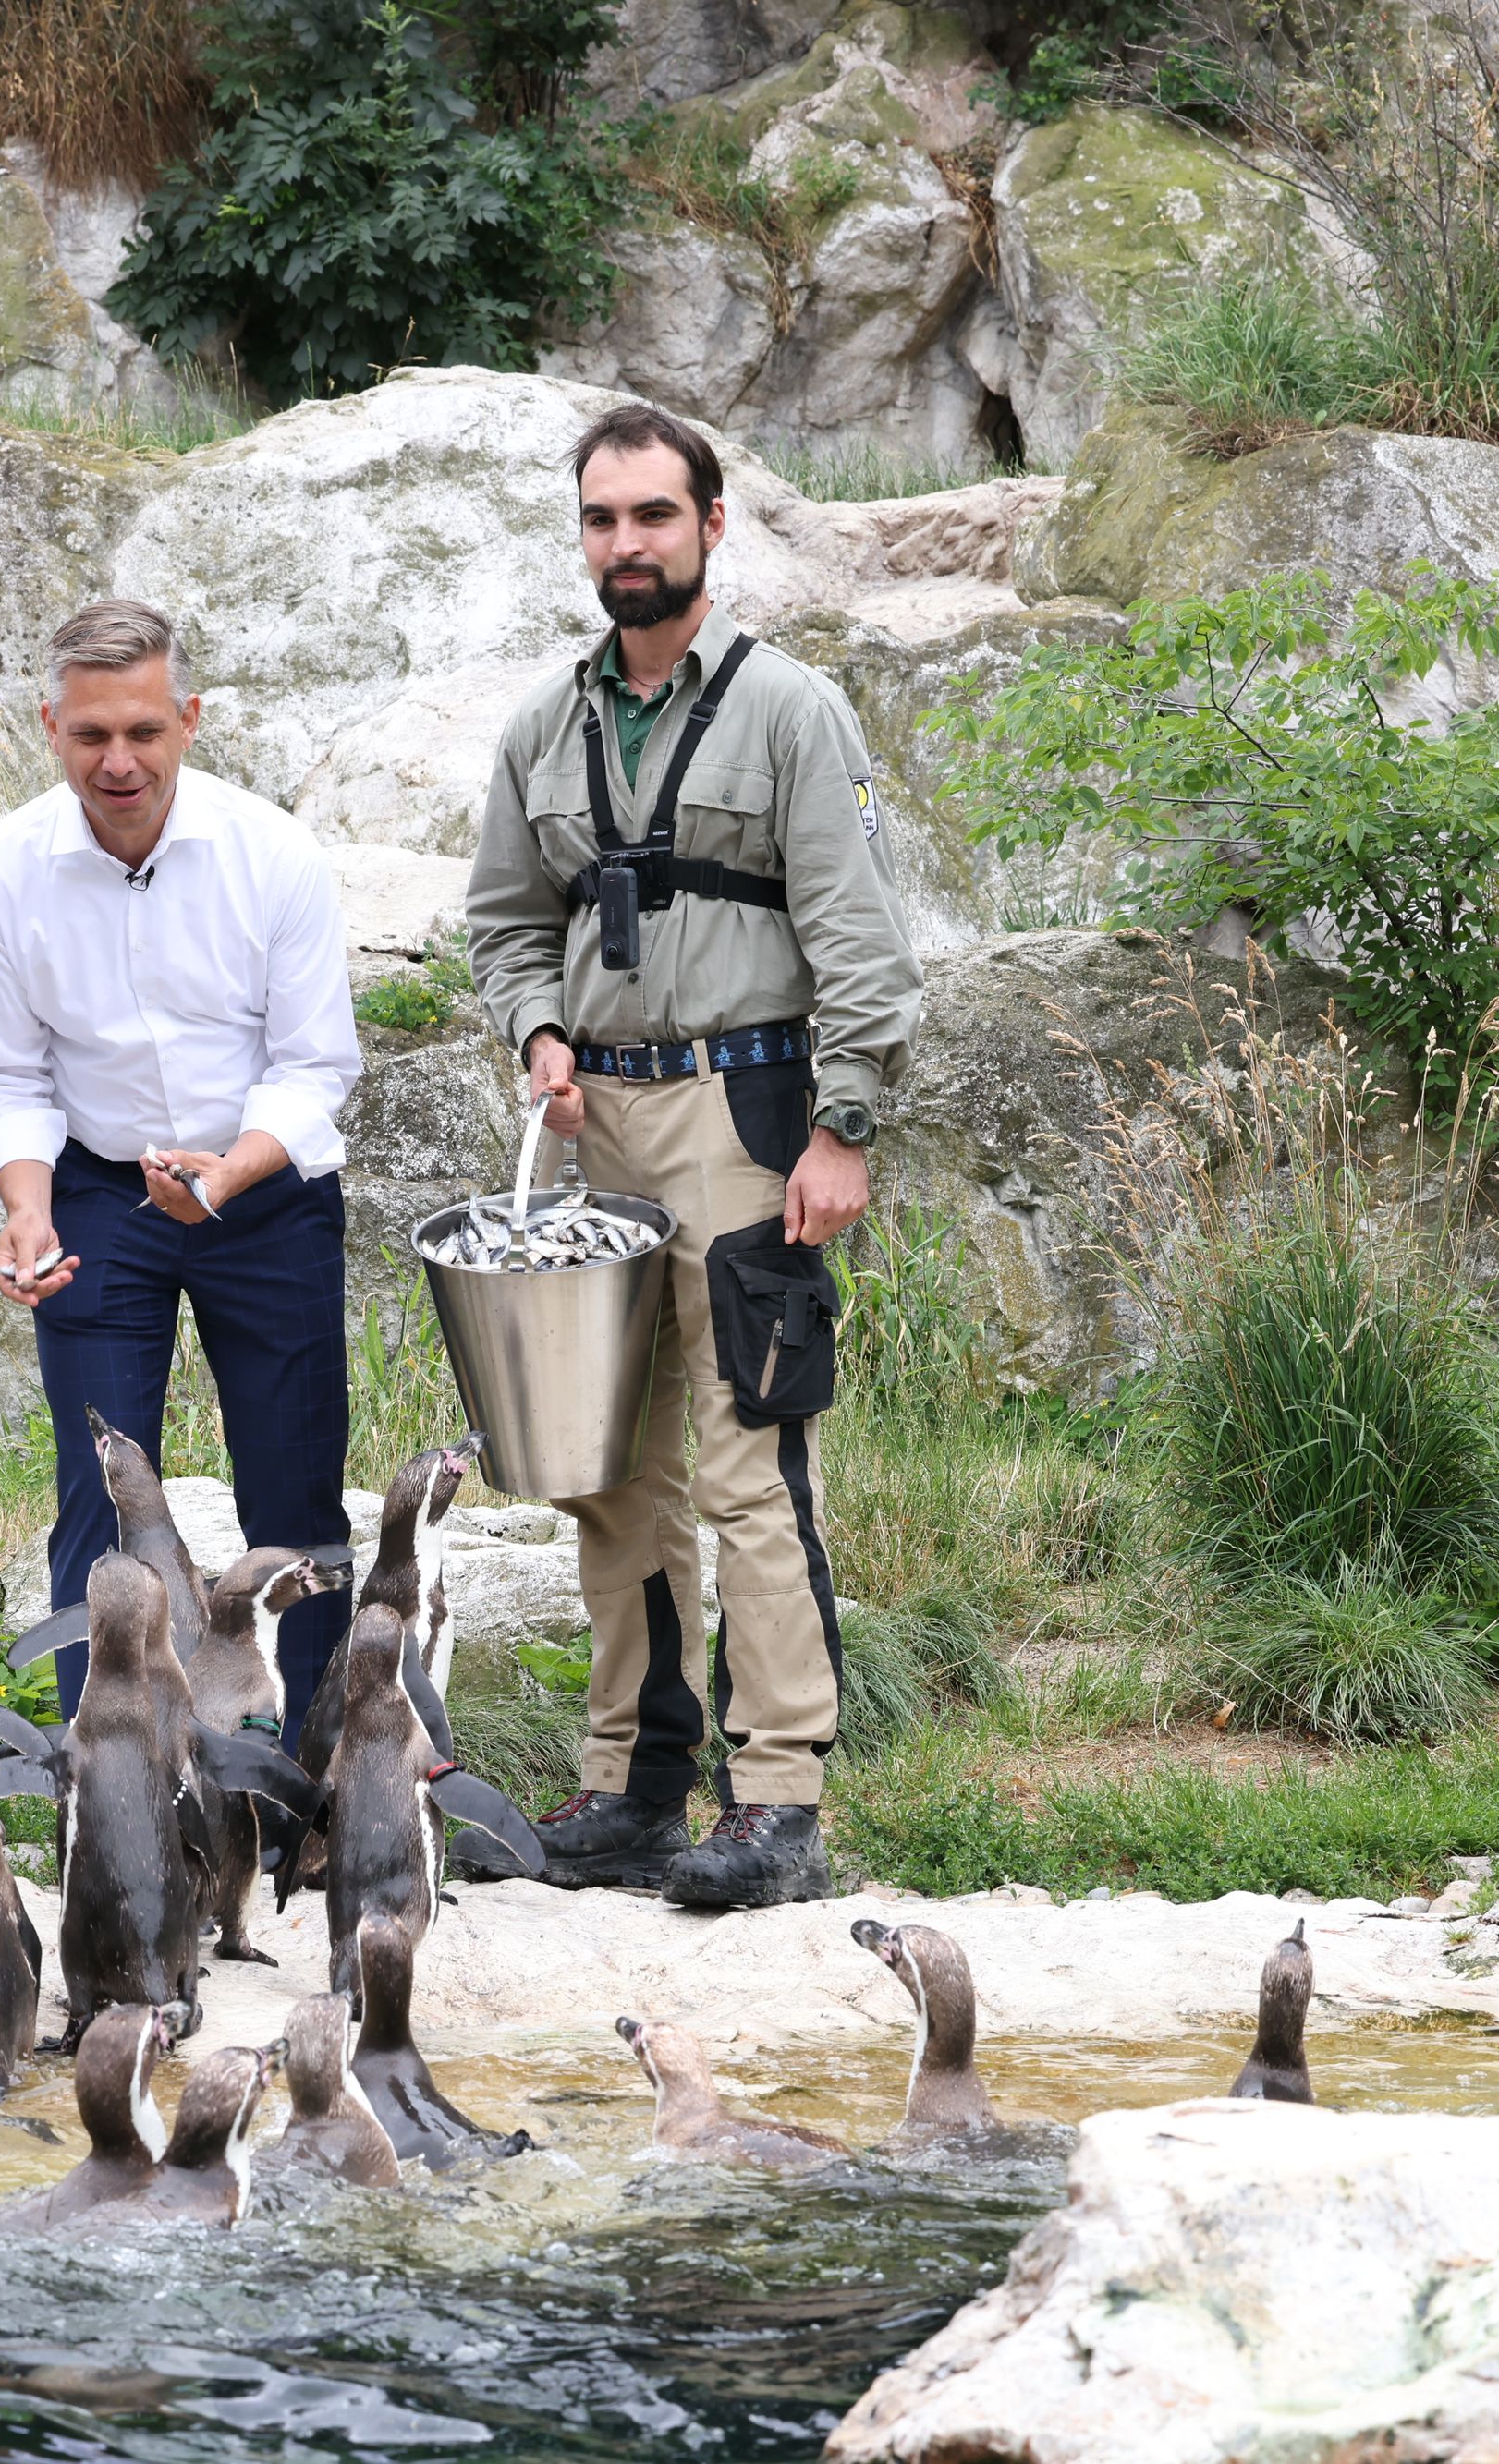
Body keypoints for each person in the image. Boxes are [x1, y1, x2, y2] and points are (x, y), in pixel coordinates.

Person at [461, 402, 922, 1911]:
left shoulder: (791, 711)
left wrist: (845, 1120)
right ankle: (634, 1783)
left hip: (746, 1115)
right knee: (609, 1467)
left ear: (712, 528)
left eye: (654, 516)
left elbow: (856, 929)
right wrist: (538, 1031)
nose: (627, 545)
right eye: (603, 520)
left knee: (747, 1455)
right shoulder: (545, 724)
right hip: (600, 1125)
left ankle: (777, 1794)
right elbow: (506, 920)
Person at [0, 598, 363, 1726]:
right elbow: (5, 1079)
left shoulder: (273, 853)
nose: (118, 762)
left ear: (189, 719)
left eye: (142, 731)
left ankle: (321, 1759)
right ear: (50, 727)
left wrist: (224, 1177)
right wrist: (24, 1213)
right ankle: (108, 1764)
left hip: (263, 1190)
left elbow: (315, 1062)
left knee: (291, 1488)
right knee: (100, 1491)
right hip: (93, 1187)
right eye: (90, 737)